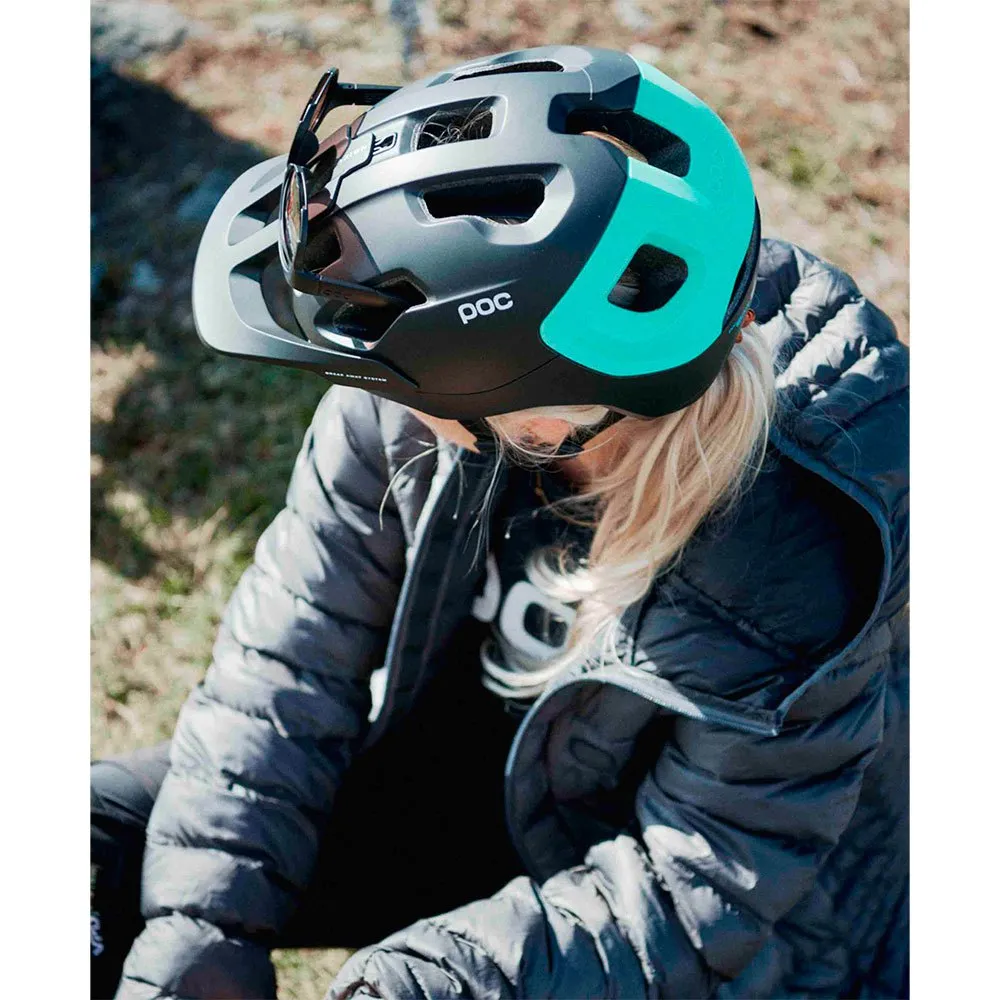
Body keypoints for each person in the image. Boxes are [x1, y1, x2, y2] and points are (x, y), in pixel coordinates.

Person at [92, 46, 909, 999]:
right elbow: (289, 663)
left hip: (703, 938)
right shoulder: (415, 374)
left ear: (540, 418)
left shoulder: (802, 552)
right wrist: (201, 927)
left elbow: (700, 894)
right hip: (440, 801)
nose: (372, 392)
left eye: (396, 381)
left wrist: (422, 982)